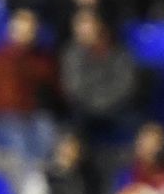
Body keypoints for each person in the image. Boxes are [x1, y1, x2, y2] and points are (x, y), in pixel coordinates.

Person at [0, 9, 59, 171]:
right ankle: (31, 181)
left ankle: (42, 179)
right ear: (11, 30)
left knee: (47, 129)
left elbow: (56, 93)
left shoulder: (43, 61)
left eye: (30, 30)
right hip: (1, 118)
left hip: (33, 117)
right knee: (16, 137)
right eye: (20, 29)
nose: (24, 34)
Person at [60, 9, 141, 142]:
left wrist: (106, 103)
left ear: (99, 25)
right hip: (85, 108)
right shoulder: (71, 54)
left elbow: (126, 83)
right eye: (80, 25)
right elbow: (74, 86)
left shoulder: (119, 51)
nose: (85, 29)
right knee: (69, 131)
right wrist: (96, 104)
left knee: (141, 126)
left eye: (88, 24)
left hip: (117, 107)